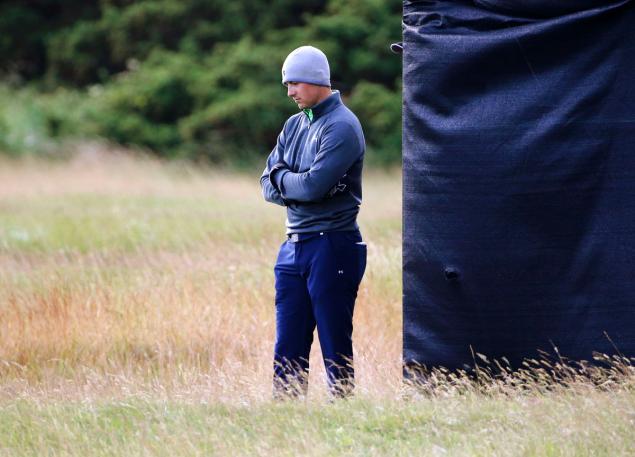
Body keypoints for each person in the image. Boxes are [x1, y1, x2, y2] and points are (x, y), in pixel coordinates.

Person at [260, 45, 367, 398]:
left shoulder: (342, 126)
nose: (289, 92)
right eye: (286, 84)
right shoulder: (294, 125)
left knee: (335, 340)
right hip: (293, 245)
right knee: (288, 342)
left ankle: (344, 412)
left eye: (295, 83)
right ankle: (287, 418)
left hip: (332, 243)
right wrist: (290, 181)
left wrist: (284, 179)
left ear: (317, 80)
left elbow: (313, 185)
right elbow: (267, 186)